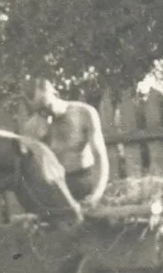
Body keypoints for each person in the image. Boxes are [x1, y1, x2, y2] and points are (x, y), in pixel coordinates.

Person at [21, 78, 109, 206]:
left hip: (86, 181)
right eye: (39, 111)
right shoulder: (31, 127)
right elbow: (30, 172)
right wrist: (39, 140)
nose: (46, 113)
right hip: (56, 188)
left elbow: (100, 156)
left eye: (47, 106)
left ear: (56, 94)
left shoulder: (84, 113)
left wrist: (97, 193)